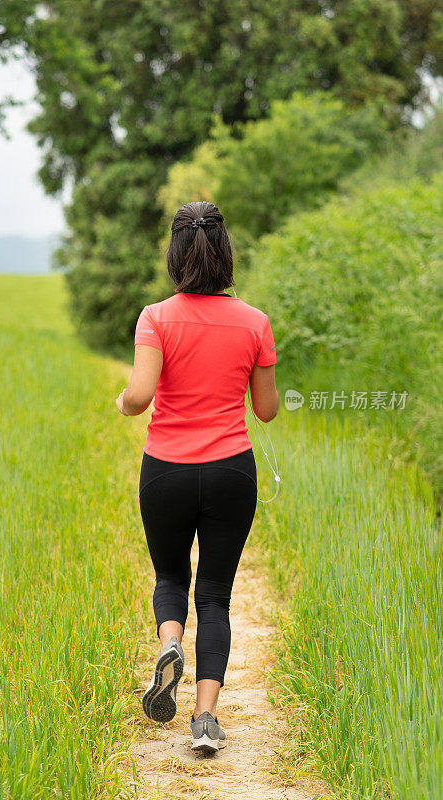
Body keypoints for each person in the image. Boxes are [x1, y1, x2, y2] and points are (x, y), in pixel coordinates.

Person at [115, 200, 279, 754]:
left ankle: (170, 644)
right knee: (215, 593)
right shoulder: (255, 322)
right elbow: (266, 410)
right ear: (226, 254)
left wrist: (121, 401)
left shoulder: (156, 317)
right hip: (232, 469)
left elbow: (138, 397)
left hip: (167, 470)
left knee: (169, 577)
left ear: (176, 253)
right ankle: (205, 720)